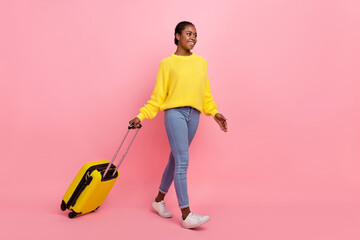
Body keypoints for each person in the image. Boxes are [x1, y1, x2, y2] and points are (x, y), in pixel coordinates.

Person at [129, 21, 228, 229]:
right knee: (183, 161)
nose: (193, 38)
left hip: (195, 115)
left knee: (175, 160)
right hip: (175, 113)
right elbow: (157, 97)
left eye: (196, 34)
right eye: (189, 33)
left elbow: (205, 94)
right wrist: (141, 115)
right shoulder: (168, 63)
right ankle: (186, 215)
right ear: (177, 36)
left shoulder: (201, 62)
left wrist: (214, 112)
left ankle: (158, 201)